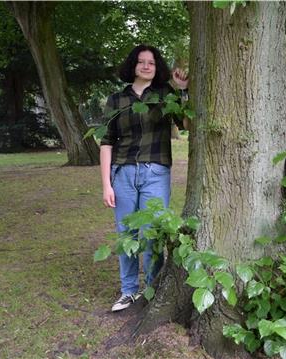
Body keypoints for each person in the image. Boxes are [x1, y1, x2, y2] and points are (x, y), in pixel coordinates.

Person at [100, 44, 188, 312]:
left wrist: (183, 90)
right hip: (123, 173)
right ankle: (128, 291)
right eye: (141, 62)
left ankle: (152, 290)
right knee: (126, 234)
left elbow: (186, 125)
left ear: (157, 66)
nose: (146, 66)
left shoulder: (165, 95)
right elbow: (106, 142)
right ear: (133, 65)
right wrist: (106, 184)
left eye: (151, 62)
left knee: (153, 235)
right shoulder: (116, 100)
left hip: (155, 172)